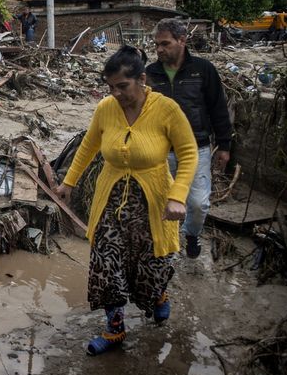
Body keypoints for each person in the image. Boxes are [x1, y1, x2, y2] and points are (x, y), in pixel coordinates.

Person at [54, 46, 198, 356]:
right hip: (111, 197)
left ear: (142, 79)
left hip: (155, 200)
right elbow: (89, 145)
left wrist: (178, 196)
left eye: (123, 86)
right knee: (106, 261)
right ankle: (115, 328)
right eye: (111, 87)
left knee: (152, 263)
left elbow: (188, 153)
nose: (116, 94)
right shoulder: (106, 108)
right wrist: (68, 182)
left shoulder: (166, 109)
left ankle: (158, 294)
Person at [146, 18, 232, 259]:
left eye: (165, 44)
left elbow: (218, 108)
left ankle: (192, 233)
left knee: (197, 203)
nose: (160, 49)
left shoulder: (203, 70)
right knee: (163, 201)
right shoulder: (150, 73)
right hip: (161, 150)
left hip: (196, 148)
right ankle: (167, 246)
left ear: (182, 41)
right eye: (156, 45)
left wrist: (224, 145)